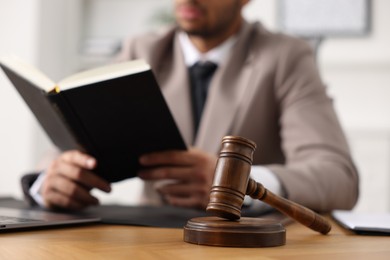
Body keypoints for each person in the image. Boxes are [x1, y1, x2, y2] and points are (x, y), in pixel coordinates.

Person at [22, 0, 359, 213]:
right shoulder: (142, 50)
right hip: (151, 244)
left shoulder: (285, 57)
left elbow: (338, 178)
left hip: (243, 247)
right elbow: (72, 145)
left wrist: (235, 184)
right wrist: (48, 182)